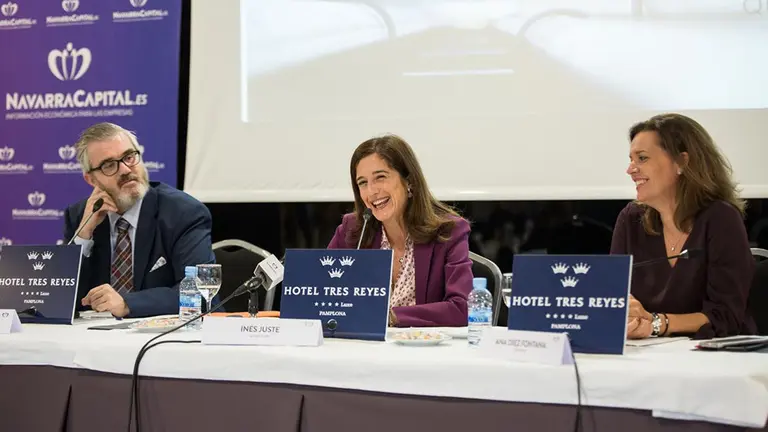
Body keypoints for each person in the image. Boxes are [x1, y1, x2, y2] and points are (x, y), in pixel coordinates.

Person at [610, 113, 755, 339]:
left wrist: (656, 323)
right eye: (631, 159)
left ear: (682, 162)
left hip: (715, 355)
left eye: (642, 158)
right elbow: (614, 299)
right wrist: (625, 315)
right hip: (645, 356)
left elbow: (725, 316)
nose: (630, 169)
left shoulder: (720, 219)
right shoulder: (630, 220)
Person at [63, 122, 215, 318]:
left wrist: (127, 303)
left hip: (169, 336)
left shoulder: (183, 212)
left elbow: (200, 291)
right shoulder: (80, 216)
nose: (126, 169)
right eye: (109, 165)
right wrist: (84, 236)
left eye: (129, 157)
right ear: (91, 180)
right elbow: (62, 297)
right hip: (97, 338)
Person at [328, 134, 473, 327]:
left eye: (381, 177)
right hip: (363, 351)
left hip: (423, 352)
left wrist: (390, 318)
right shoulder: (352, 231)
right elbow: (321, 293)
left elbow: (462, 308)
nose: (371, 191)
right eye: (362, 182)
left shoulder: (448, 232)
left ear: (409, 181)